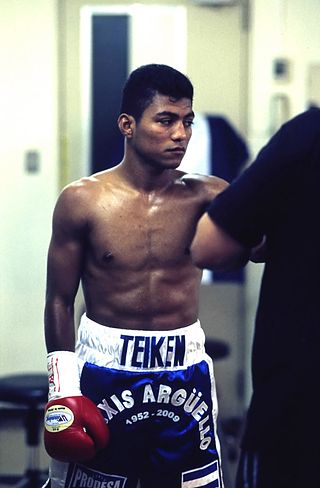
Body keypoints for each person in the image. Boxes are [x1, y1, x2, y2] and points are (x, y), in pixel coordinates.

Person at [43, 63, 229, 488]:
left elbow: (262, 248)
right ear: (128, 125)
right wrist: (62, 390)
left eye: (187, 122)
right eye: (165, 120)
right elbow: (58, 299)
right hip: (104, 367)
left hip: (183, 367)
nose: (180, 134)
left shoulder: (209, 195)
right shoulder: (82, 200)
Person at [190, 107, 320, 488]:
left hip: (296, 410)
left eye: (185, 122)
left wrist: (266, 231)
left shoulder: (307, 136)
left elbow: (207, 247)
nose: (179, 134)